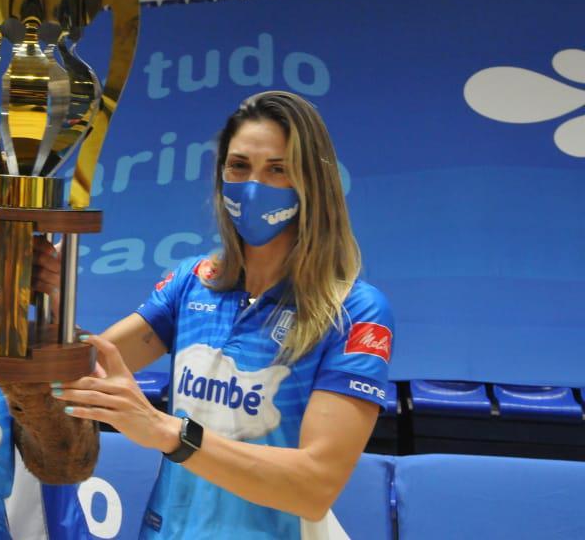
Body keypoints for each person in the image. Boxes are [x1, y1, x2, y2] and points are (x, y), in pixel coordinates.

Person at [35, 90, 394, 539]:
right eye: (239, 166)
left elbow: (314, 486)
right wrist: (49, 298)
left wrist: (168, 432)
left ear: (312, 183)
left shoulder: (354, 312)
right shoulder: (193, 281)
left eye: (277, 169)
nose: (253, 185)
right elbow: (82, 371)